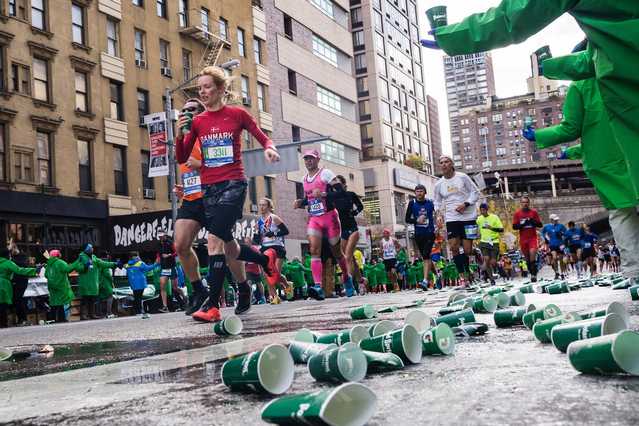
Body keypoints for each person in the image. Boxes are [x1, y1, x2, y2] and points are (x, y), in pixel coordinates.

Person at [424, 1, 639, 204]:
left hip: (620, 153)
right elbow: (592, 59)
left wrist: (450, 37)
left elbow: (513, 16)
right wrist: (551, 67)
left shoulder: (581, 87)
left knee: (624, 224)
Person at [524, 46, 639, 285]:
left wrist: (538, 136)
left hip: (607, 164)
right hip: (633, 149)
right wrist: (571, 152)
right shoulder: (627, 68)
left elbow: (573, 129)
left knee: (622, 214)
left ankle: (636, 275)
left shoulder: (579, 86)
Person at [175, 66, 280, 322]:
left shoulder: (236, 114)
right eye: (200, 88)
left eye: (207, 87)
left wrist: (270, 149)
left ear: (221, 89)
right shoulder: (198, 123)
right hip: (209, 190)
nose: (203, 92)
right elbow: (181, 157)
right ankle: (263, 260)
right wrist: (181, 133)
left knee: (214, 240)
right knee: (226, 244)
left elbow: (262, 136)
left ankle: (212, 306)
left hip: (233, 185)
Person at [293, 149, 354, 299]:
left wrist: (325, 194)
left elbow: (341, 192)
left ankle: (347, 278)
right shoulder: (304, 178)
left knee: (336, 251)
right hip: (315, 218)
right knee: (314, 250)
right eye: (306, 159)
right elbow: (310, 198)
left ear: (318, 160)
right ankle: (318, 286)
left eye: (311, 158)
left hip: (330, 217)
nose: (308, 161)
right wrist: (301, 202)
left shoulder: (326, 173)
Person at [173, 98, 211, 315]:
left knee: (228, 247)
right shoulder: (183, 139)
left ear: (201, 113)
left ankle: (243, 286)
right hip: (190, 198)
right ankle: (199, 290)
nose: (186, 113)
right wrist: (184, 188)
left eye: (191, 110)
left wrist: (202, 165)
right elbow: (188, 170)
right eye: (183, 110)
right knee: (181, 246)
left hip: (211, 197)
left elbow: (224, 163)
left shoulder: (209, 135)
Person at [433, 155, 481, 285]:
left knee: (467, 250)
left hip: (468, 217)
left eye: (446, 162)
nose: (444, 164)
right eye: (441, 162)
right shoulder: (439, 184)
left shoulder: (462, 177)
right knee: (453, 247)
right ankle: (463, 276)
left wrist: (465, 204)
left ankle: (473, 258)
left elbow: (476, 193)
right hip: (452, 218)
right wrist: (438, 215)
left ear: (452, 163)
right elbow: (436, 201)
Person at [330, 175, 364, 293]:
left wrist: (354, 212)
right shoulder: (333, 198)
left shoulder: (350, 194)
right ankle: (361, 280)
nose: (337, 187)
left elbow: (360, 206)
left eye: (339, 184)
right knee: (350, 258)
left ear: (344, 185)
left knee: (348, 256)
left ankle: (348, 285)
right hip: (341, 230)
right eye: (335, 185)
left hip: (352, 229)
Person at [254, 198, 290, 304]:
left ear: (269, 206)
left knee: (276, 273)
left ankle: (287, 285)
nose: (261, 207)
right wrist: (255, 235)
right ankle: (274, 297)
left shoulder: (274, 218)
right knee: (267, 274)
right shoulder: (259, 221)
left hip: (277, 247)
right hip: (265, 247)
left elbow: (286, 231)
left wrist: (273, 234)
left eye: (264, 205)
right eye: (260, 205)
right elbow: (257, 238)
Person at [404, 184, 436, 289]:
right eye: (417, 191)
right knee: (426, 257)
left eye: (421, 191)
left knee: (426, 254)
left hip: (430, 233)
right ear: (415, 193)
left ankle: (425, 280)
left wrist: (439, 221)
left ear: (425, 192)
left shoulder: (430, 203)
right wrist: (416, 220)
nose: (419, 193)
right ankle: (437, 274)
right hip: (419, 234)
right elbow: (407, 219)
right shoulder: (412, 203)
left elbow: (437, 214)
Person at [74, 244, 116, 320]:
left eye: (92, 248)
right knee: (85, 299)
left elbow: (103, 263)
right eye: (90, 248)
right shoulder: (81, 257)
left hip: (93, 283)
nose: (92, 249)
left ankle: (91, 314)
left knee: (92, 299)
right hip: (85, 282)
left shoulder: (94, 257)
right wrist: (85, 266)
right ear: (86, 249)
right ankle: (83, 315)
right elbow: (78, 268)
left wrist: (114, 264)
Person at [0, 247, 38, 328]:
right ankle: (3, 323)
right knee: (3, 303)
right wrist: (34, 270)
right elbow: (19, 270)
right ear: (8, 255)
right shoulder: (8, 263)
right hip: (4, 284)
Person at [512, 196, 543, 282]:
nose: (525, 204)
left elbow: (540, 225)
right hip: (523, 239)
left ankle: (533, 275)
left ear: (529, 203)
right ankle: (533, 271)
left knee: (532, 255)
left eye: (526, 202)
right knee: (527, 259)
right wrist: (523, 223)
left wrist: (533, 221)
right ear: (521, 203)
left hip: (532, 238)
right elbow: (514, 227)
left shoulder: (534, 212)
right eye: (523, 202)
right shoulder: (517, 214)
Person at [44, 249, 78, 323]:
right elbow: (68, 269)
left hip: (52, 286)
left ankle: (52, 319)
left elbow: (46, 275)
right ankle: (61, 318)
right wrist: (76, 263)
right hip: (61, 285)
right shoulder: (60, 262)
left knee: (54, 302)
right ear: (57, 255)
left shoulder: (49, 263)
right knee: (61, 302)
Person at [475, 203, 504, 286]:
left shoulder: (494, 217)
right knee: (486, 260)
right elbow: (474, 225)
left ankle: (497, 270)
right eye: (481, 210)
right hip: (484, 242)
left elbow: (501, 229)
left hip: (494, 242)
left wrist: (491, 228)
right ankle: (491, 279)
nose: (482, 212)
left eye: (483, 210)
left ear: (487, 209)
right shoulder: (479, 219)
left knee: (493, 262)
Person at [125, 252, 158, 316]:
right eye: (137, 255)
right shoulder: (140, 263)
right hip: (140, 283)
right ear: (134, 257)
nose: (138, 257)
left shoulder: (127, 265)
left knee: (136, 297)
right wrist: (156, 264)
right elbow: (148, 268)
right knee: (139, 297)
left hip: (133, 283)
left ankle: (137, 311)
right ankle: (139, 312)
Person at [542, 215, 567, 280]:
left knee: (561, 259)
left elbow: (566, 233)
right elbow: (543, 233)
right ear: (551, 220)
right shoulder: (547, 227)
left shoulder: (561, 226)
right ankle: (557, 272)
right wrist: (547, 239)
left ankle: (562, 273)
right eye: (555, 220)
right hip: (552, 244)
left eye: (557, 220)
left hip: (560, 244)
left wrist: (562, 234)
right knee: (555, 258)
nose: (556, 221)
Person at [157, 231, 177, 313]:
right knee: (162, 285)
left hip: (171, 267)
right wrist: (158, 258)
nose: (160, 237)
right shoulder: (159, 244)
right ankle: (165, 306)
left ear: (165, 235)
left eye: (161, 236)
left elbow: (177, 252)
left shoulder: (170, 243)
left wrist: (169, 255)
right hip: (164, 268)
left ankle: (184, 298)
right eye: (159, 236)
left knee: (174, 287)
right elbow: (158, 253)